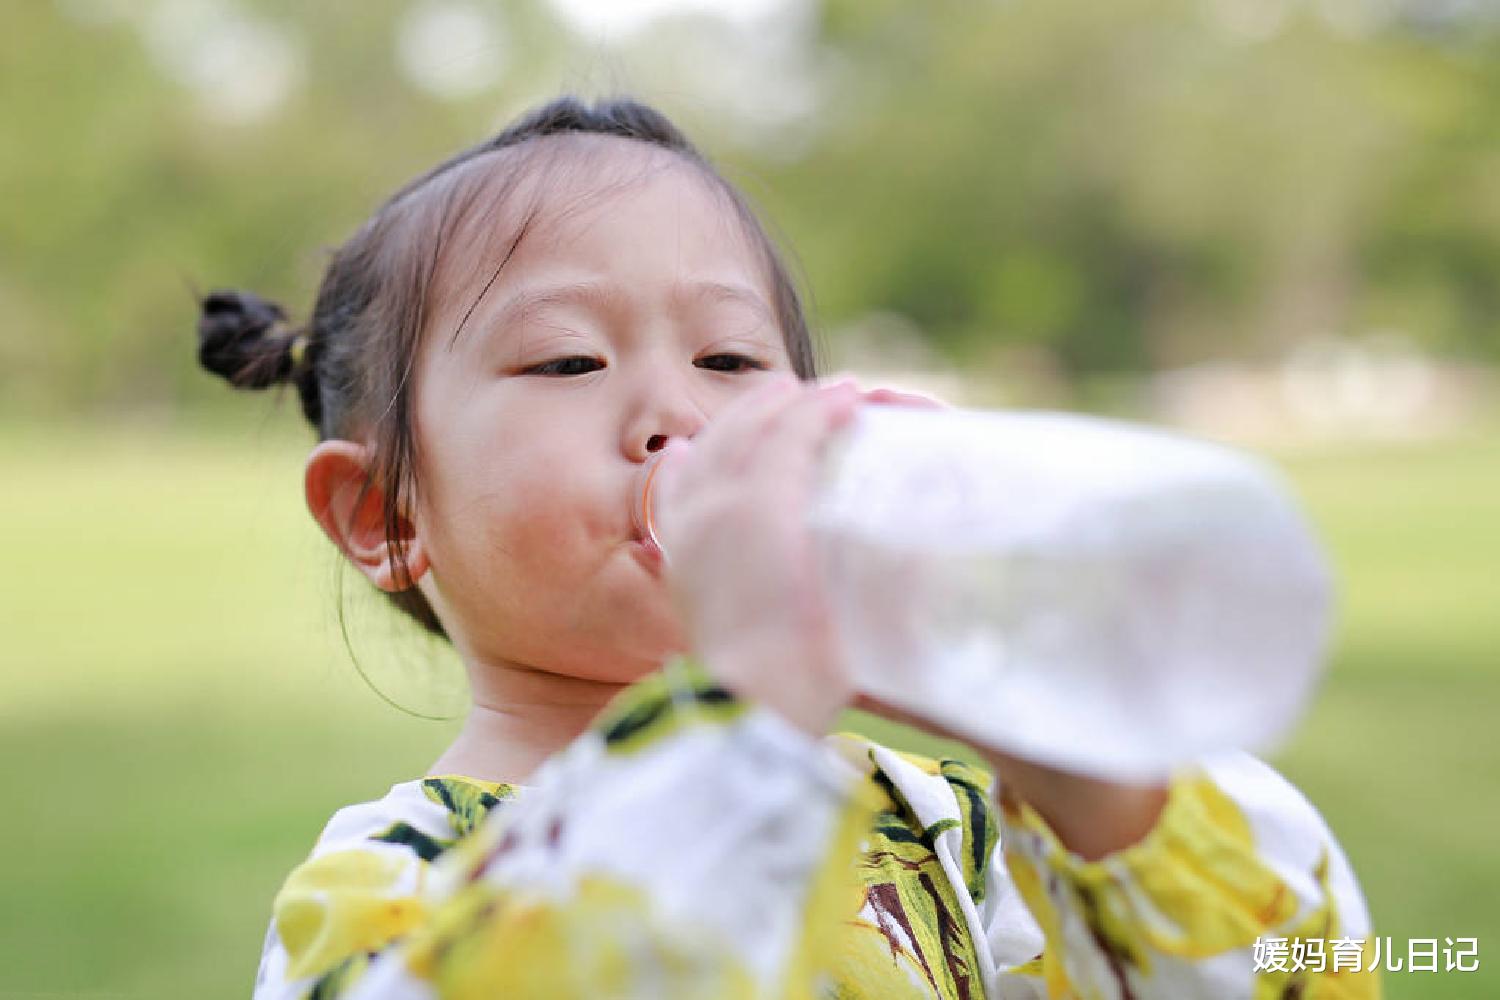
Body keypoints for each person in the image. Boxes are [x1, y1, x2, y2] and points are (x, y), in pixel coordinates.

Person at [199, 95, 1380, 999]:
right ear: (384, 513)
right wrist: (747, 706)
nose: (682, 415)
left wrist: (1079, 763)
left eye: (731, 361)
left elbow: (1303, 967)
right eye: (568, 360)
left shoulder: (947, 834)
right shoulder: (391, 882)